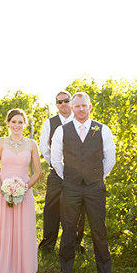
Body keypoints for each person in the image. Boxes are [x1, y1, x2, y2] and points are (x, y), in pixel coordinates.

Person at [51, 92, 116, 273]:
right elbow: (56, 159)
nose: (80, 109)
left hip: (95, 188)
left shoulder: (102, 129)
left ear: (90, 107)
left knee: (99, 229)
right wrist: (69, 178)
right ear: (72, 108)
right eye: (76, 106)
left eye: (83, 106)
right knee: (69, 229)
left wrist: (97, 177)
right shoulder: (62, 131)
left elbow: (110, 158)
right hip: (70, 187)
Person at [0, 109, 41, 273]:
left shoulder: (32, 144)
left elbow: (38, 172)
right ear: (7, 123)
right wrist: (3, 190)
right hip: (2, 194)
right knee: (3, 230)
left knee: (23, 230)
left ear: (25, 124)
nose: (17, 125)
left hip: (24, 194)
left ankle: (22, 271)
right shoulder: (1, 143)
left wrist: (24, 189)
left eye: (20, 122)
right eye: (13, 122)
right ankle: (3, 269)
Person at [38, 90, 86, 254]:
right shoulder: (50, 123)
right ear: (56, 105)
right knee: (51, 207)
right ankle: (48, 243)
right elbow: (44, 147)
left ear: (71, 103)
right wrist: (55, 163)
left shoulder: (80, 120)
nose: (63, 104)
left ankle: (75, 243)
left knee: (77, 208)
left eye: (66, 101)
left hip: (77, 173)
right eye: (59, 102)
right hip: (56, 173)